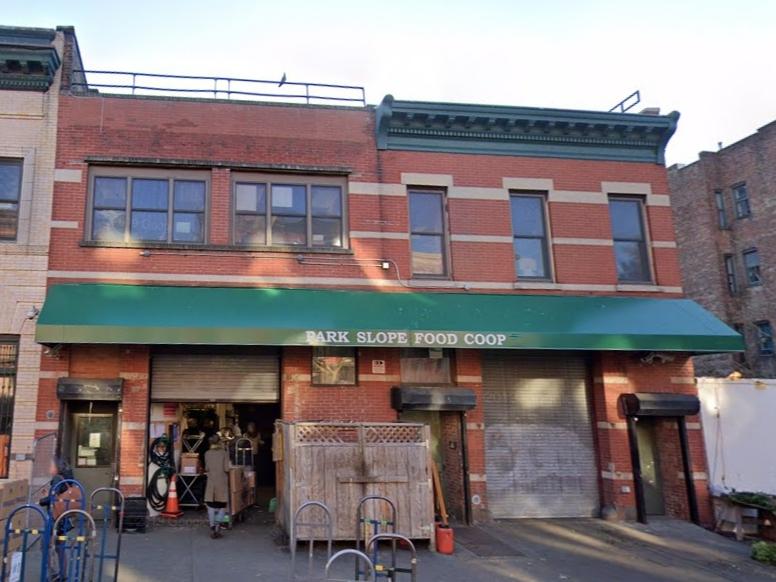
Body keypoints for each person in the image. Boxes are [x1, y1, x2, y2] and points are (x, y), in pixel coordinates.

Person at [39, 457, 75, 581]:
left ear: (57, 467)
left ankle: (54, 573)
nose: (50, 468)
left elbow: (52, 498)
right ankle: (63, 574)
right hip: (63, 517)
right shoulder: (66, 479)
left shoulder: (57, 479)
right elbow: (58, 495)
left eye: (51, 466)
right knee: (60, 546)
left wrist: (41, 501)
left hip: (55, 519)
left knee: (44, 545)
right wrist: (48, 494)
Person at [203, 433, 230, 539]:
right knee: (222, 505)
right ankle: (218, 525)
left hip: (211, 481)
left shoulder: (207, 453)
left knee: (211, 506)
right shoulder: (224, 453)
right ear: (219, 442)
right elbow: (226, 469)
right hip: (221, 482)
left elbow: (207, 468)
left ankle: (212, 527)